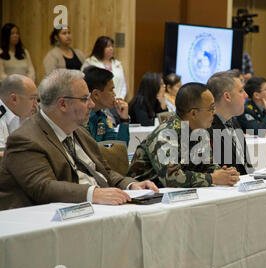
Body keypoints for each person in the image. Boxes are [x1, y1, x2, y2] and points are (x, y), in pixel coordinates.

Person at [0, 69, 158, 210]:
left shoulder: (80, 132)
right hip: (50, 223)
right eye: (84, 99)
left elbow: (104, 172)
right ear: (62, 104)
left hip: (97, 209)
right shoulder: (25, 139)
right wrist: (93, 194)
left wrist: (130, 185)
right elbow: (43, 187)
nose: (91, 104)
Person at [127, 82, 240, 188]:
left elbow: (208, 166)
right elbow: (171, 178)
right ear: (194, 113)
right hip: (144, 195)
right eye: (211, 108)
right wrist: (212, 178)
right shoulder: (167, 133)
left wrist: (224, 174)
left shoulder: (200, 131)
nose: (214, 112)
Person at [206, 70, 253, 175]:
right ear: (227, 97)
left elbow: (245, 166)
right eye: (241, 91)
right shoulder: (207, 128)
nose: (246, 95)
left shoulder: (233, 122)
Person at [82, 66, 129, 146]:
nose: (114, 94)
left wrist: (124, 120)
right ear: (96, 94)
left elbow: (118, 150)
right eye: (111, 90)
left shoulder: (102, 117)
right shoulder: (80, 118)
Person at [0, 74, 38, 156]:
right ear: (14, 99)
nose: (36, 104)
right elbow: (2, 157)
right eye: (32, 98)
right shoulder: (1, 119)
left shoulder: (25, 114)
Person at [82, 36, 127, 100]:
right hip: (97, 101)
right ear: (100, 48)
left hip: (117, 100)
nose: (111, 48)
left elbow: (123, 86)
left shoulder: (118, 64)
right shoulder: (90, 62)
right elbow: (84, 82)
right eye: (108, 46)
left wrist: (121, 97)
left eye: (112, 46)